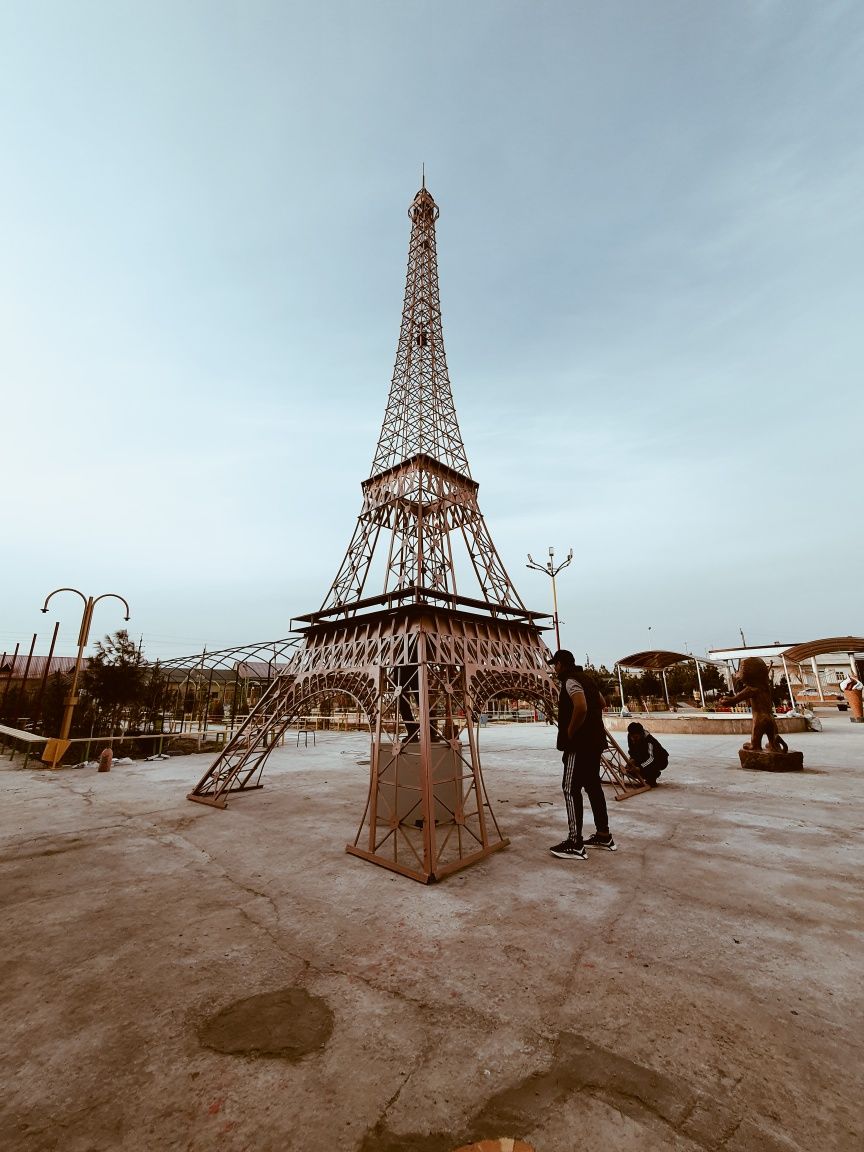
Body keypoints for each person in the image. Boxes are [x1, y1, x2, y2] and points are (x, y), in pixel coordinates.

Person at [548, 649, 616, 860]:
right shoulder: (587, 679)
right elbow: (602, 703)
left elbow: (580, 706)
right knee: (593, 786)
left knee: (570, 788)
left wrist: (570, 732)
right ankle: (604, 835)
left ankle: (575, 842)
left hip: (579, 745)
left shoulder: (570, 680)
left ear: (560, 664)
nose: (554, 668)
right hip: (595, 742)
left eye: (555, 664)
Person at [626, 722, 668, 786]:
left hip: (660, 759)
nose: (633, 740)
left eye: (635, 737)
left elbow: (651, 759)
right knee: (630, 770)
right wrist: (632, 760)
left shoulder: (650, 741)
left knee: (647, 767)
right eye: (631, 737)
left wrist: (639, 768)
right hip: (644, 756)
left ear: (641, 734)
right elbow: (632, 751)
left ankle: (653, 776)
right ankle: (646, 774)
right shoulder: (630, 736)